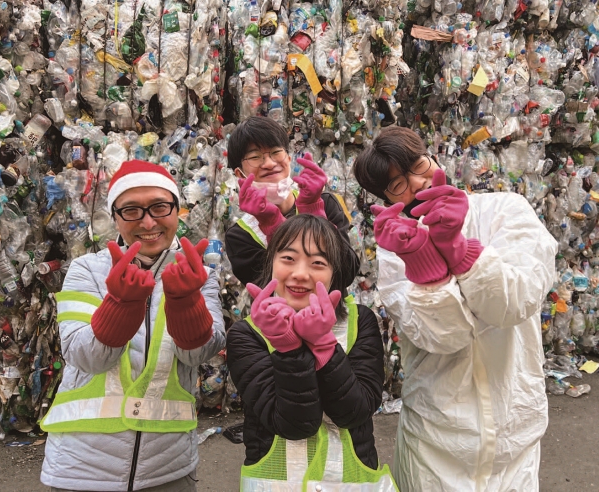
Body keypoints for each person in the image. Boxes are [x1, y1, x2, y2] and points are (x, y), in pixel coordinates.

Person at [353, 126, 557, 492]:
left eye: (418, 165)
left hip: (514, 435)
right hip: (436, 440)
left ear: (432, 155)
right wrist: (425, 267)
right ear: (383, 197)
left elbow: (516, 303)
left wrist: (462, 251)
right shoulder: (396, 245)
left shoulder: (505, 209)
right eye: (397, 184)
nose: (416, 183)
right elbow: (443, 337)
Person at [40, 160, 226, 491]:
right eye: (132, 211)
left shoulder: (200, 275)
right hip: (82, 467)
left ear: (177, 211)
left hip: (168, 468)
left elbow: (198, 354)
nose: (148, 221)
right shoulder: (87, 270)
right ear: (115, 218)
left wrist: (186, 303)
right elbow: (85, 357)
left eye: (159, 207)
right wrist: (121, 305)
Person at [227, 214, 397, 491]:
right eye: (288, 259)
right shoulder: (247, 334)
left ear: (335, 274)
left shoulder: (359, 321)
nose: (301, 274)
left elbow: (356, 412)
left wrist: (324, 345)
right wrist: (289, 348)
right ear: (270, 264)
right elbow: (294, 425)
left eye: (318, 263)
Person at [224, 115, 360, 286]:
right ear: (239, 174)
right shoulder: (240, 236)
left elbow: (346, 274)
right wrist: (269, 221)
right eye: (255, 157)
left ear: (288, 158)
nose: (269, 163)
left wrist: (312, 210)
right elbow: (270, 288)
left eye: (276, 152)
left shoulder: (325, 202)